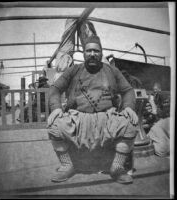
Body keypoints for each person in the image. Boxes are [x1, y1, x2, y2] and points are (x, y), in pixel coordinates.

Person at [47, 35, 138, 184]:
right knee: (54, 126)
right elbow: (55, 89)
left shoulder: (112, 70)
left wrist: (128, 107)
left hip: (108, 119)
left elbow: (128, 90)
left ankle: (117, 167)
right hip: (77, 119)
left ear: (101, 53)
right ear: (84, 53)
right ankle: (67, 165)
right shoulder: (73, 70)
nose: (92, 54)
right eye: (88, 51)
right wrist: (56, 108)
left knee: (131, 125)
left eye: (96, 51)